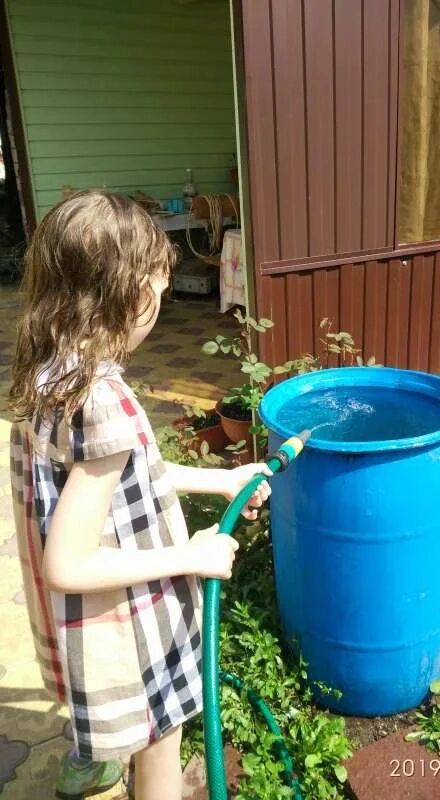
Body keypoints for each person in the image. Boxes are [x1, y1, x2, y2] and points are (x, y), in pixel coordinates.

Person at [8, 191, 272, 800]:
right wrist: (194, 556)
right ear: (127, 296)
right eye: (158, 287)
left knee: (126, 727)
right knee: (161, 738)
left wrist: (223, 479)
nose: (160, 302)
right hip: (129, 619)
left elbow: (130, 479)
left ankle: (92, 761)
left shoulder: (51, 371)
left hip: (90, 621)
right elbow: (68, 564)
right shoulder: (103, 401)